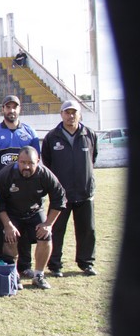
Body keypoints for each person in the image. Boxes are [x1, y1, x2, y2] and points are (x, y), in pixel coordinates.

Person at [0, 95, 41, 276]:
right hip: (2, 187)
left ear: (19, 109)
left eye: (14, 107)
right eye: (8, 107)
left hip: (25, 187)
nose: (11, 110)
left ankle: (24, 265)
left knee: (23, 226)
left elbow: (37, 160)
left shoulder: (30, 132)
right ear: (3, 109)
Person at [0, 147, 67, 290]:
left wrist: (48, 224)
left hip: (35, 211)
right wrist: (8, 225)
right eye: (23, 162)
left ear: (38, 161)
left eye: (30, 163)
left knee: (46, 236)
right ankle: (13, 274)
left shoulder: (45, 174)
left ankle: (39, 275)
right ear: (18, 161)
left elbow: (59, 199)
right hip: (11, 213)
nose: (26, 167)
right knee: (10, 237)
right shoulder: (5, 174)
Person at [41, 100, 99, 277]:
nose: (71, 115)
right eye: (67, 112)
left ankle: (86, 263)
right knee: (57, 230)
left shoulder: (89, 134)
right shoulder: (52, 137)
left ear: (79, 114)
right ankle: (55, 264)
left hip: (84, 191)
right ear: (61, 114)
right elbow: (47, 163)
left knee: (87, 230)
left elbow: (93, 158)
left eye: (74, 112)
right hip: (61, 195)